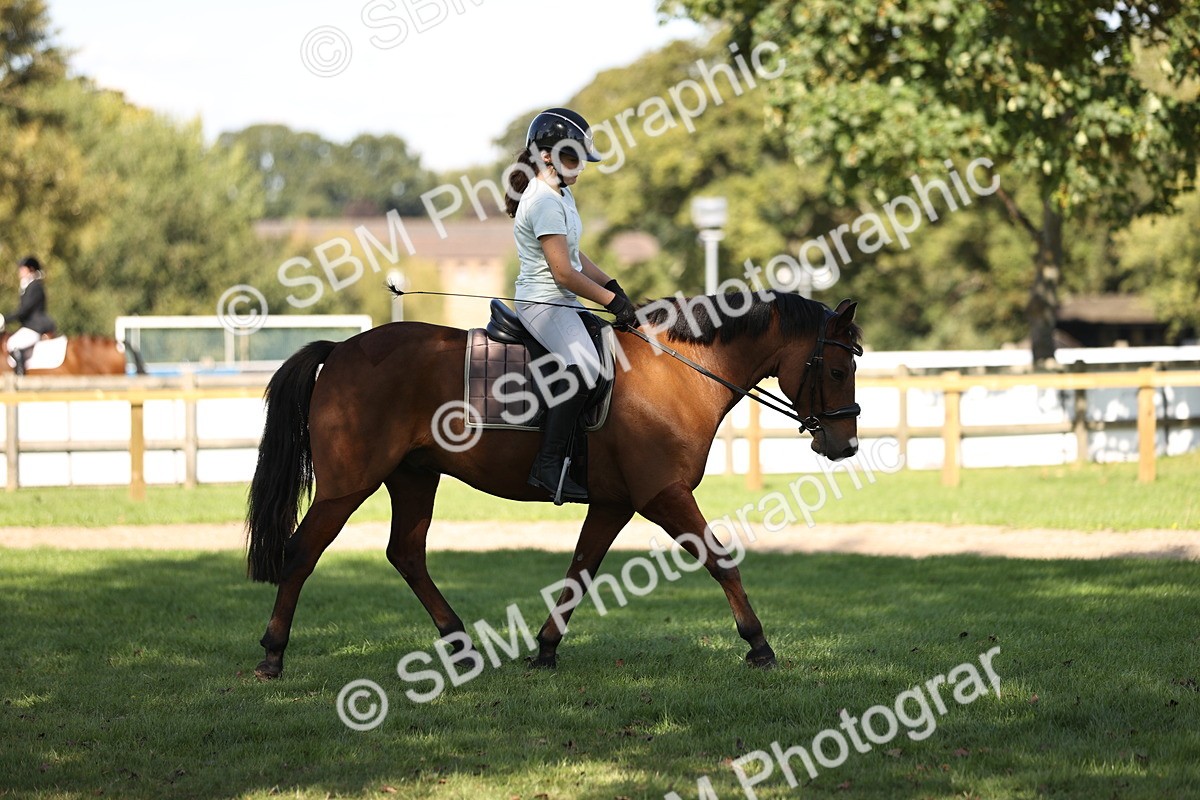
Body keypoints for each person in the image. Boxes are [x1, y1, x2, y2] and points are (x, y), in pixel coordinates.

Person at [505, 108, 638, 503]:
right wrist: (611, 302)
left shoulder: (561, 194)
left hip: (562, 301)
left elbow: (576, 257)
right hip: (543, 302)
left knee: (613, 353)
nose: (579, 165)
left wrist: (612, 285)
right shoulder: (543, 201)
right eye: (570, 156)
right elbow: (563, 273)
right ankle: (547, 466)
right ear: (546, 156)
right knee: (585, 368)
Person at [2, 256, 56, 375]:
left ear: (31, 269)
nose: (20, 271)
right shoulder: (27, 286)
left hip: (36, 326)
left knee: (12, 343)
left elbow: (24, 310)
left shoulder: (35, 286)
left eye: (23, 269)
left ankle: (21, 377)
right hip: (30, 326)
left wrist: (5, 319)